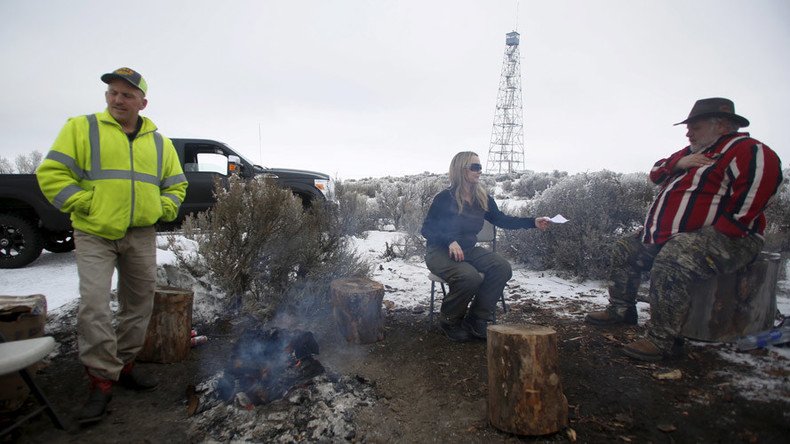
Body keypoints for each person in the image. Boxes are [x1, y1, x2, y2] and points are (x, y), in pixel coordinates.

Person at [36, 67, 188, 423]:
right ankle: (101, 381)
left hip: (140, 233)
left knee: (138, 304)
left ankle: (124, 364)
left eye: (127, 95)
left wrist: (162, 208)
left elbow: (176, 184)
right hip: (95, 232)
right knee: (94, 305)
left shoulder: (158, 142)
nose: (118, 100)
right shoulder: (81, 128)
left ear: (142, 102)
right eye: (113, 93)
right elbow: (51, 174)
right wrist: (87, 203)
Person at [585, 97, 783, 361]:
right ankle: (621, 310)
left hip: (731, 239)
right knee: (625, 249)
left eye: (695, 126)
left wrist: (726, 228)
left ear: (722, 125)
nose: (688, 132)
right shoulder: (690, 153)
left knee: (674, 259)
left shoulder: (747, 149)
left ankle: (663, 339)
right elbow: (655, 173)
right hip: (671, 237)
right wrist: (677, 165)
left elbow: (761, 186)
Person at [421, 151, 551, 342]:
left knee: (501, 267)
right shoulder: (444, 198)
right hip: (439, 251)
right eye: (475, 167)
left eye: (480, 167)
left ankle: (476, 319)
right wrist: (449, 240)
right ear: (461, 170)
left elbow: (501, 219)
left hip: (468, 250)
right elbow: (427, 229)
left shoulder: (483, 198)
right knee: (469, 277)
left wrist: (533, 222)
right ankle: (450, 320)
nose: (479, 171)